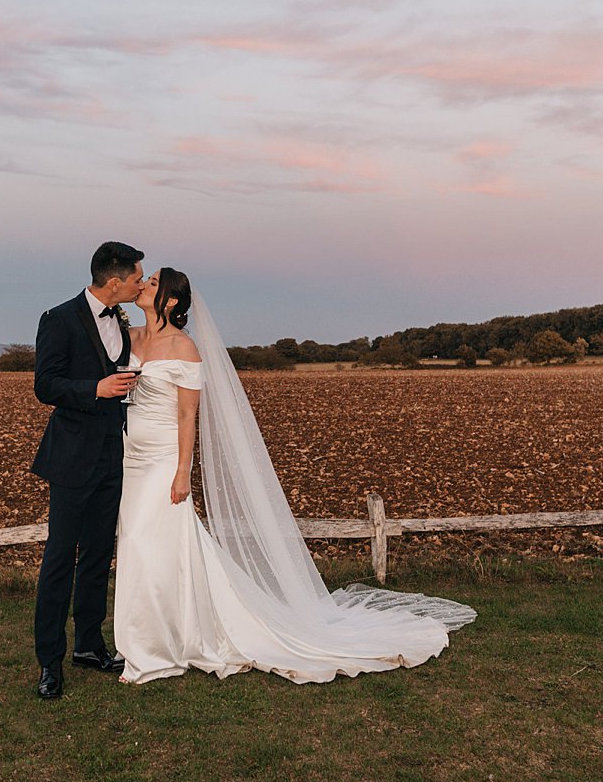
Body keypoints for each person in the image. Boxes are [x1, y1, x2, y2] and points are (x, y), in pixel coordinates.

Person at [114, 268, 475, 685]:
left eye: (153, 283)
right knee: (144, 545)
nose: (143, 286)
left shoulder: (185, 347)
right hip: (129, 457)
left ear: (172, 301)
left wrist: (182, 472)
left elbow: (186, 414)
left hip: (162, 459)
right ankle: (160, 636)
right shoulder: (132, 339)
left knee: (145, 540)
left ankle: (152, 651)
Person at [29, 242, 144, 699]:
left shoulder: (121, 318)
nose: (140, 283)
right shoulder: (58, 319)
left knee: (98, 554)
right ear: (113, 282)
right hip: (72, 456)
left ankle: (90, 646)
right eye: (137, 277)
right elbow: (45, 385)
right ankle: (49, 662)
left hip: (113, 457)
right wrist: (95, 388)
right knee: (60, 558)